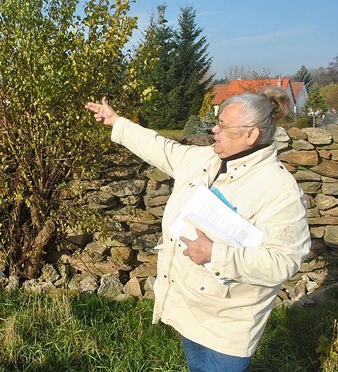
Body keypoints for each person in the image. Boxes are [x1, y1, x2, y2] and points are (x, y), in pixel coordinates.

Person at [85, 87, 311, 372]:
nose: (214, 129)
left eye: (223, 126)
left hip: (230, 325)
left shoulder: (279, 190)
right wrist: (117, 122)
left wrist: (216, 254)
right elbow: (162, 148)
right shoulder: (206, 160)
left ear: (250, 134)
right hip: (191, 309)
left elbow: (284, 261)